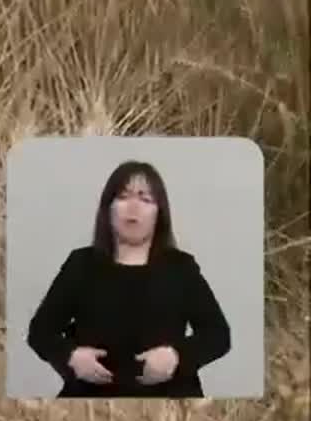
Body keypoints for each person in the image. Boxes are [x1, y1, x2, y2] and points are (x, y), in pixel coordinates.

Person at [25, 159, 231, 398]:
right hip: (92, 402)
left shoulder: (180, 268)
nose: (133, 208)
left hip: (170, 403)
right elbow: (40, 332)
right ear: (108, 208)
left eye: (146, 199)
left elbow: (218, 335)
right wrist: (71, 357)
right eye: (123, 197)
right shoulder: (81, 264)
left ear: (159, 213)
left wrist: (176, 356)